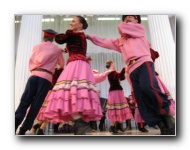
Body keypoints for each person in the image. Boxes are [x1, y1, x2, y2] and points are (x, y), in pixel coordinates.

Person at [86, 15, 175, 135]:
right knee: (141, 98)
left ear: (137, 20)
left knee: (148, 87)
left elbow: (122, 27)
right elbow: (104, 41)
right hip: (132, 69)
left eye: (131, 17)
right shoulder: (120, 41)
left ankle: (167, 116)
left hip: (144, 62)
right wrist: (88, 37)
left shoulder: (139, 30)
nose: (127, 19)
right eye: (125, 18)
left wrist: (125, 23)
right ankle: (161, 124)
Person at [40, 16, 103, 135]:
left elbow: (59, 39)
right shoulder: (80, 36)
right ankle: (79, 125)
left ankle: (79, 123)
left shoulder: (74, 34)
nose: (70, 23)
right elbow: (72, 45)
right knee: (75, 93)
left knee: (67, 92)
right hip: (80, 63)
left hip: (75, 64)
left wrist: (62, 34)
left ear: (81, 25)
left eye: (73, 21)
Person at [15, 29, 64, 135]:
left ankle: (15, 121)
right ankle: (24, 128)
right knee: (36, 104)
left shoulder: (36, 47)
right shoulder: (57, 49)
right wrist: (55, 63)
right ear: (53, 39)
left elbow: (34, 59)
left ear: (44, 37)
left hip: (34, 75)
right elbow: (62, 65)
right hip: (46, 79)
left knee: (25, 101)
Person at [31, 66, 64, 135]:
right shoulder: (60, 70)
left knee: (46, 112)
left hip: (46, 91)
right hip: (54, 92)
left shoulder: (48, 68)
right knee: (51, 112)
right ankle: (40, 128)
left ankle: (38, 127)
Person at [86, 54, 113, 131]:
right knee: (90, 109)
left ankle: (91, 127)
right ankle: (90, 127)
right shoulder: (87, 70)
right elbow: (97, 78)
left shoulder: (87, 70)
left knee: (90, 109)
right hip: (87, 92)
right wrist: (108, 72)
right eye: (90, 60)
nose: (91, 61)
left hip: (86, 91)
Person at [105, 60, 133, 134]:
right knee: (115, 109)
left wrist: (124, 71)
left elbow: (121, 77)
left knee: (119, 109)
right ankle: (112, 127)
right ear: (111, 64)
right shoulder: (110, 72)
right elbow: (119, 76)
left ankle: (118, 126)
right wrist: (123, 68)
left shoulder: (114, 72)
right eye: (113, 63)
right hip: (115, 92)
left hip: (117, 91)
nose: (114, 64)